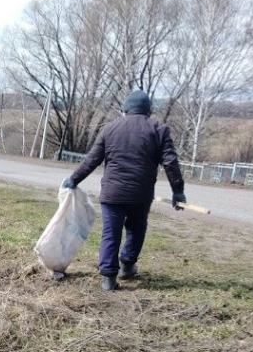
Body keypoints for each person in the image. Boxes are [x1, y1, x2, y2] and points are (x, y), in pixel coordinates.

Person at [62, 90, 186, 291]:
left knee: (110, 233)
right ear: (148, 110)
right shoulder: (159, 129)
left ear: (124, 110)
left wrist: (74, 179)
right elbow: (170, 163)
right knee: (137, 229)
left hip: (113, 194)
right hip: (141, 194)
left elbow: (92, 159)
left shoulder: (110, 128)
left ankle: (108, 278)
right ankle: (127, 266)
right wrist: (177, 191)